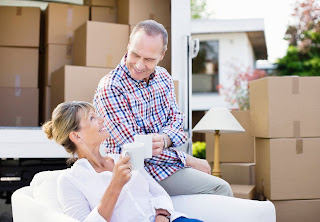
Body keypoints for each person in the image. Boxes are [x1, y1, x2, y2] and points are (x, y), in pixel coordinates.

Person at [93, 20, 233, 197]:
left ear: (162, 55)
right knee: (221, 188)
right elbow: (134, 149)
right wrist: (188, 160)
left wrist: (165, 139)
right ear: (128, 45)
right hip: (136, 173)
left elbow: (177, 124)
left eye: (149, 59)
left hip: (166, 165)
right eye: (135, 54)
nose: (139, 65)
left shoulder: (163, 78)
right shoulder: (111, 86)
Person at [43, 101, 202, 222]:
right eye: (92, 118)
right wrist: (115, 184)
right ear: (76, 136)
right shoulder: (70, 181)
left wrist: (162, 216)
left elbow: (157, 193)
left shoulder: (123, 157)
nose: (101, 120)